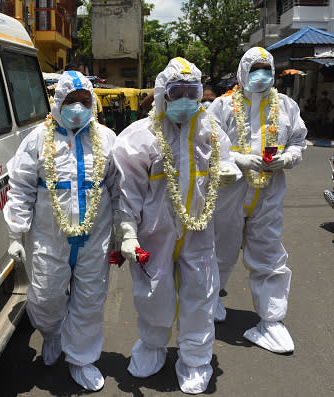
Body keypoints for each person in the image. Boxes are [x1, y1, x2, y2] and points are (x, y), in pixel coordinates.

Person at [113, 57, 239, 394]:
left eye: (191, 92)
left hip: (199, 232)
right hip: (154, 235)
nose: (185, 100)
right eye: (177, 92)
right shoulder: (139, 137)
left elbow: (227, 158)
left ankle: (197, 359)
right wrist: (126, 232)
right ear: (161, 95)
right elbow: (127, 191)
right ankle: (152, 346)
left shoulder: (210, 130)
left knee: (201, 294)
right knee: (153, 294)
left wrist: (228, 170)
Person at [4, 71, 118, 391]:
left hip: (95, 239)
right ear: (58, 103)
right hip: (49, 239)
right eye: (71, 101)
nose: (78, 107)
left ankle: (82, 358)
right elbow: (22, 187)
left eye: (84, 101)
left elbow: (119, 188)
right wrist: (15, 233)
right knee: (44, 298)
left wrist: (124, 231)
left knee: (90, 300)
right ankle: (54, 335)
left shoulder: (107, 138)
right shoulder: (37, 139)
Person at [208, 47, 307, 353]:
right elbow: (207, 147)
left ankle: (271, 321)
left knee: (269, 255)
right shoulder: (222, 107)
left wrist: (289, 156)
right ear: (243, 71)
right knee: (218, 253)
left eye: (266, 69)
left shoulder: (287, 106)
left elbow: (299, 141)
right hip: (229, 195)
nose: (261, 75)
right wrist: (238, 159)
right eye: (255, 69)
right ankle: (209, 303)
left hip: (268, 195)